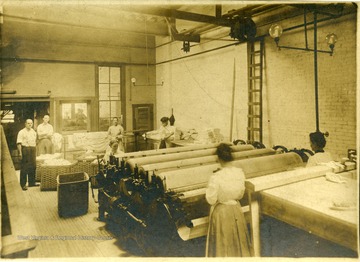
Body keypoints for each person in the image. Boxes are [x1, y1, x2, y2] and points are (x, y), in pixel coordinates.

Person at [205, 143, 251, 257]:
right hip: (236, 210)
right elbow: (240, 195)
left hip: (222, 213)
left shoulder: (216, 176)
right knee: (238, 243)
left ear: (219, 158)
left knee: (222, 245)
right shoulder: (239, 172)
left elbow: (211, 200)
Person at [17, 119, 38, 190]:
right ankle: (23, 184)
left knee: (33, 166)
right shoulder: (21, 132)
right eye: (28, 123)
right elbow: (19, 143)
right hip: (25, 149)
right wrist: (20, 153)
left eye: (31, 123)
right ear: (25, 124)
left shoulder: (33, 132)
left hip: (32, 149)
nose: (30, 124)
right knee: (24, 167)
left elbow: (35, 142)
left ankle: (32, 182)